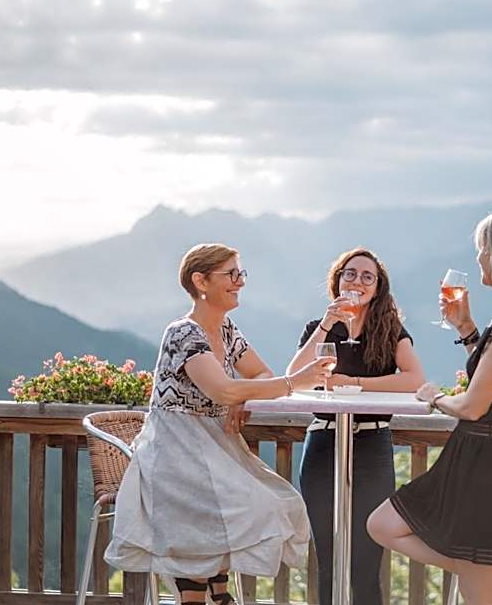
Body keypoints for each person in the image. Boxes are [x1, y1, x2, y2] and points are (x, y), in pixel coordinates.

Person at [105, 243, 334, 605]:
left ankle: (215, 590)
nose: (240, 282)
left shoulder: (226, 330)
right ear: (201, 281)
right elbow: (221, 388)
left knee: (278, 502)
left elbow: (258, 373)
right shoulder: (183, 333)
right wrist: (293, 382)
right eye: (231, 274)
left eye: (240, 273)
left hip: (211, 449)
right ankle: (207, 593)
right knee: (244, 506)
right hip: (174, 453)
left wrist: (241, 397)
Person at [367, 208, 492, 605]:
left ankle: (490, 583)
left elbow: (473, 405)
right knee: (383, 524)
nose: (478, 258)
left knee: (473, 588)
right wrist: (467, 328)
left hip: (487, 465)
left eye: (483, 249)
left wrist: (433, 397)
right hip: (491, 459)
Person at [287, 247, 425, 605]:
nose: (357, 282)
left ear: (377, 288)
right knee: (328, 561)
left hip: (372, 444)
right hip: (323, 443)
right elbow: (294, 376)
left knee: (366, 560)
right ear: (337, 281)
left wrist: (356, 383)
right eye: (350, 274)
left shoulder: (390, 330)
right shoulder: (319, 328)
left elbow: (414, 379)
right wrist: (326, 323)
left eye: (367, 277)